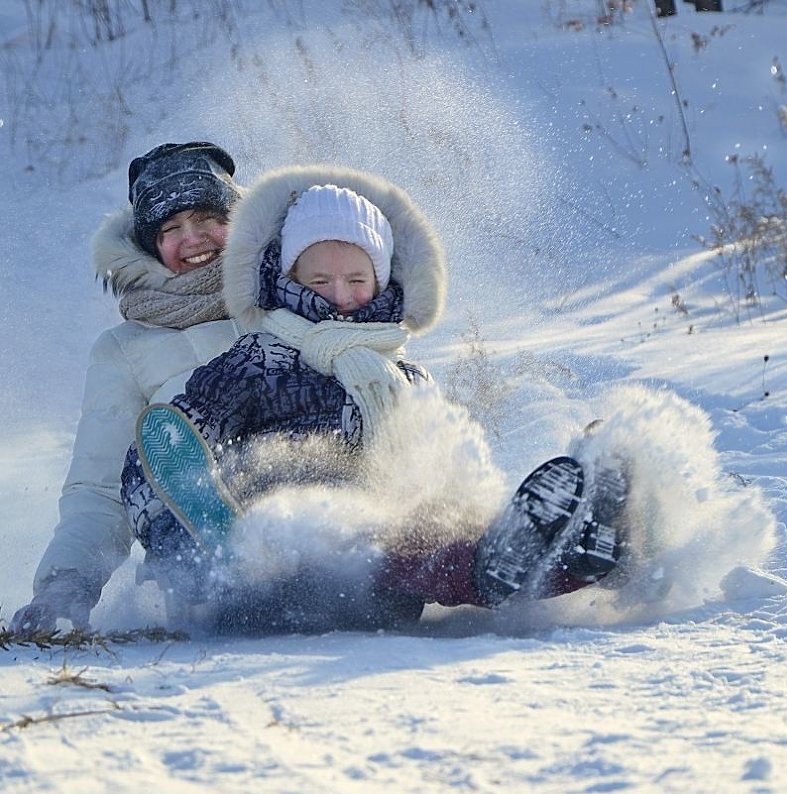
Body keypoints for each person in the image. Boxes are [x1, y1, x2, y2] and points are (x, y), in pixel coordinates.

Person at [119, 165, 627, 635]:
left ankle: (581, 553)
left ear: (382, 281)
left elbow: (440, 478)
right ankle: (494, 564)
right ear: (289, 280)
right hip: (269, 580)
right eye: (319, 280)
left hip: (384, 588)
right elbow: (162, 455)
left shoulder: (403, 375)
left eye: (356, 280)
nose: (339, 295)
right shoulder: (259, 359)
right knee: (377, 540)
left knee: (429, 531)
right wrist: (185, 541)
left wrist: (468, 510)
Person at [11, 141, 247, 633]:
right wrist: (67, 582)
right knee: (165, 444)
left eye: (207, 219)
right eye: (171, 228)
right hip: (202, 549)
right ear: (148, 245)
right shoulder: (125, 348)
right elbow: (99, 485)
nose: (194, 239)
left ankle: (412, 557)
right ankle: (215, 553)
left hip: (312, 497)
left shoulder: (292, 296)